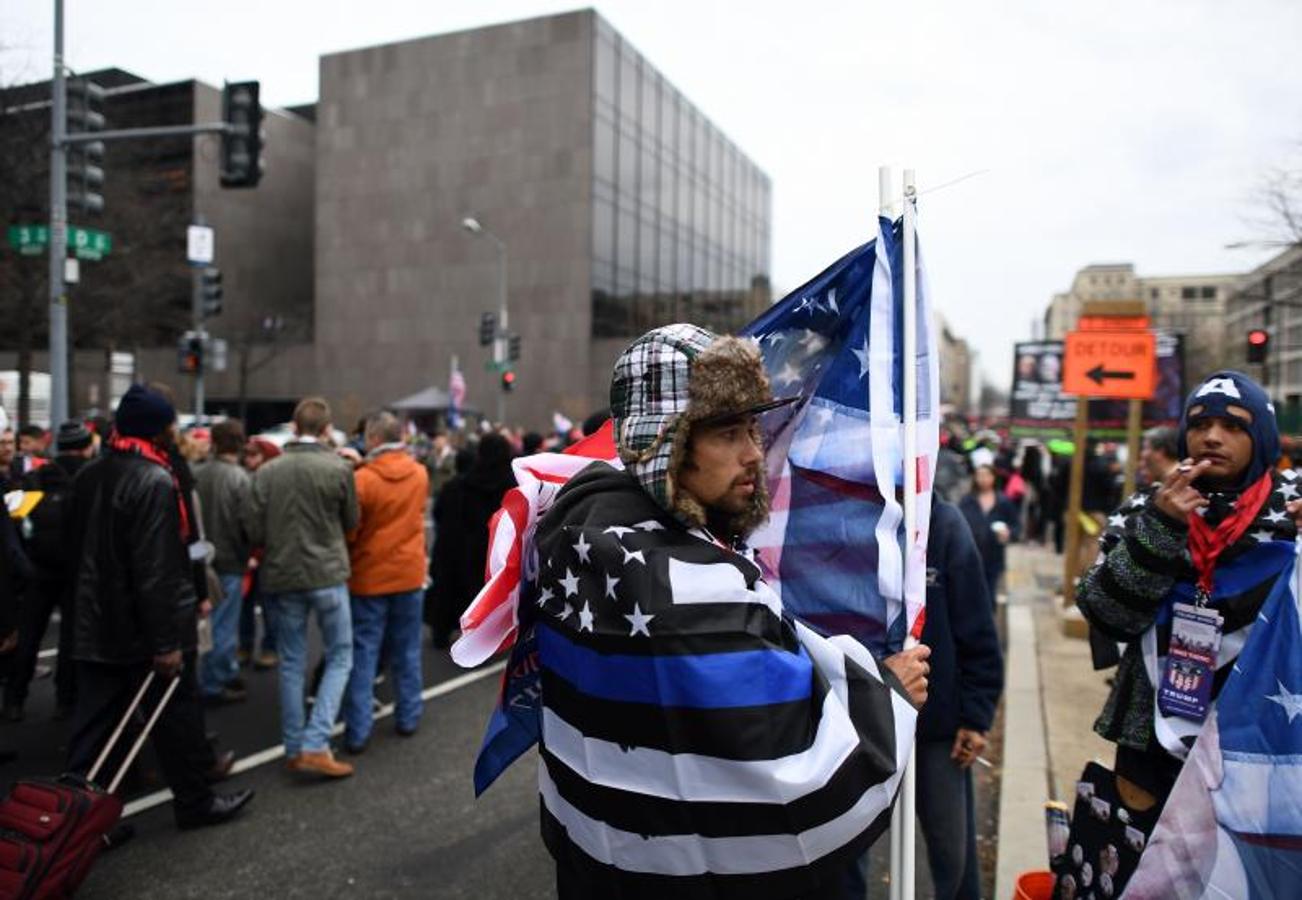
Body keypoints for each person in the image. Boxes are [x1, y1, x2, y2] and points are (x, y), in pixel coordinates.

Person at [535, 325, 920, 899]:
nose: (753, 453)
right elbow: (786, 773)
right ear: (664, 442)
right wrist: (886, 694)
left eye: (753, 429)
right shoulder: (683, 586)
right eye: (726, 433)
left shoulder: (580, 525)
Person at [1077, 371, 1297, 821]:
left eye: (1234, 426)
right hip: (1153, 732)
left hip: (1262, 731)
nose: (1212, 437)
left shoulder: (1294, 508)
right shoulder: (1147, 507)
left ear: (1262, 436)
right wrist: (1161, 529)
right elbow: (1106, 612)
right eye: (1199, 425)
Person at [67, 385, 252, 829]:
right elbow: (155, 568)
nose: (176, 429)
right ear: (159, 428)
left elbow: (74, 553)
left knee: (94, 731)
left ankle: (76, 824)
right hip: (146, 630)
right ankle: (195, 803)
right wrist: (166, 641)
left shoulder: (90, 474)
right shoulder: (154, 478)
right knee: (176, 720)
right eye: (170, 422)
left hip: (96, 623)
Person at [245, 397, 358, 779]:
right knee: (341, 654)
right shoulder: (338, 467)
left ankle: (296, 746)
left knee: (291, 661)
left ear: (294, 428)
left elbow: (254, 529)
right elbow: (351, 520)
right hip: (326, 572)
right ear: (326, 430)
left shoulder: (267, 471)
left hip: (282, 573)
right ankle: (315, 742)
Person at [341, 411, 429, 753]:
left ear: (374, 438)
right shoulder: (419, 474)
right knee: (407, 651)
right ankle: (409, 716)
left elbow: (352, 530)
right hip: (409, 574)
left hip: (369, 577)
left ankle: (358, 731)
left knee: (364, 653)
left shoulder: (362, 480)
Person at [2, 421, 95, 722]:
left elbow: (15, 521)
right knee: (69, 639)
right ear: (84, 445)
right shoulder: (90, 478)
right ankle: (64, 701)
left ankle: (15, 699)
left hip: (38, 570)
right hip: (73, 570)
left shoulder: (37, 476)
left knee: (29, 637)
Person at [426, 433, 515, 648]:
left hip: (451, 547)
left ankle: (441, 631)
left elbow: (438, 513)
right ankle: (480, 640)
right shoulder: (510, 486)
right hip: (488, 551)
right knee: (481, 595)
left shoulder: (457, 484)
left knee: (447, 588)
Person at [194, 419, 253, 705]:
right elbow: (248, 523)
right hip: (230, 558)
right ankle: (214, 683)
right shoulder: (240, 478)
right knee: (223, 625)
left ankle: (219, 672)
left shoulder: (197, 473)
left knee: (207, 622)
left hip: (200, 558)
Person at [238, 436, 282, 668]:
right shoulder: (245, 478)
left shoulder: (270, 482)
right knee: (247, 604)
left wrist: (258, 552)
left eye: (253, 455)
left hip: (266, 553)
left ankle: (269, 647)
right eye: (246, 454)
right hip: (250, 551)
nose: (248, 460)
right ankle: (246, 645)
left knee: (269, 605)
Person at [958, 463, 1019, 603]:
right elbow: (957, 526)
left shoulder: (1004, 502)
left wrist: (1008, 534)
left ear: (993, 478)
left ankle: (987, 623)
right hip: (970, 558)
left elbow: (1016, 527)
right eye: (980, 475)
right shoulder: (967, 501)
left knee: (989, 596)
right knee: (969, 598)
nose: (983, 479)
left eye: (987, 475)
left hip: (993, 558)